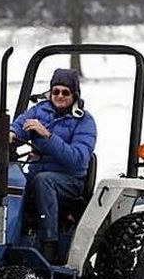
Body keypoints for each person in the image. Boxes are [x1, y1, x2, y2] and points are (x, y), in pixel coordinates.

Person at [9, 68, 97, 262]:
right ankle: (8, 237)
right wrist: (11, 134)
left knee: (44, 181)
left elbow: (78, 159)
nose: (59, 96)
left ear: (74, 95)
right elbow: (20, 124)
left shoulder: (84, 121)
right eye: (55, 91)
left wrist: (47, 136)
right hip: (36, 173)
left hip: (70, 182)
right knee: (10, 179)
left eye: (65, 92)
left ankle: (50, 243)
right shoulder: (39, 110)